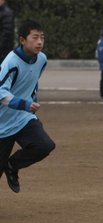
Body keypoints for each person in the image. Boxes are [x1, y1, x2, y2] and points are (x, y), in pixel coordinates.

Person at [0, 20, 55, 193]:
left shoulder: (42, 59)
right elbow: (0, 91)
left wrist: (30, 101)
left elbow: (32, 81)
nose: (40, 42)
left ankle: (11, 165)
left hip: (23, 118)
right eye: (35, 37)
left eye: (42, 37)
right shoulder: (10, 62)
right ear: (22, 40)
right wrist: (24, 103)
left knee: (44, 145)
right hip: (2, 123)